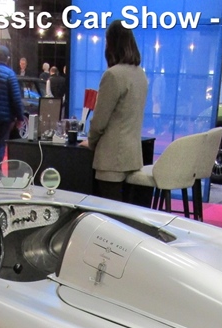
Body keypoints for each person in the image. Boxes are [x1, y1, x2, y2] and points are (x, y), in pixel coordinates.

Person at [82, 20, 148, 202]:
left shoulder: (112, 75)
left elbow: (99, 121)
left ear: (111, 44)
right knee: (125, 213)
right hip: (132, 156)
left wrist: (91, 142)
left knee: (108, 212)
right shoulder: (140, 74)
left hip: (111, 159)